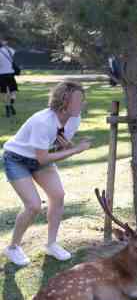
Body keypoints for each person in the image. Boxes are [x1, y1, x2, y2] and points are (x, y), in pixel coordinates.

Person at [3, 82, 90, 267]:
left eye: (82, 100)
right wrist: (76, 151)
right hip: (17, 159)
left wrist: (67, 146)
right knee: (33, 205)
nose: (82, 104)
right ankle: (13, 247)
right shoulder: (43, 121)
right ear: (63, 101)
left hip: (39, 158)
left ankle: (51, 244)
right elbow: (43, 158)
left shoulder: (74, 118)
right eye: (77, 100)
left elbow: (58, 146)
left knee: (58, 195)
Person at [0, 37, 18, 117]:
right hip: (10, 73)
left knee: (3, 93)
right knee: (13, 91)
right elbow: (13, 54)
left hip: (1, 74)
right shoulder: (10, 50)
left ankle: (7, 107)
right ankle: (11, 104)